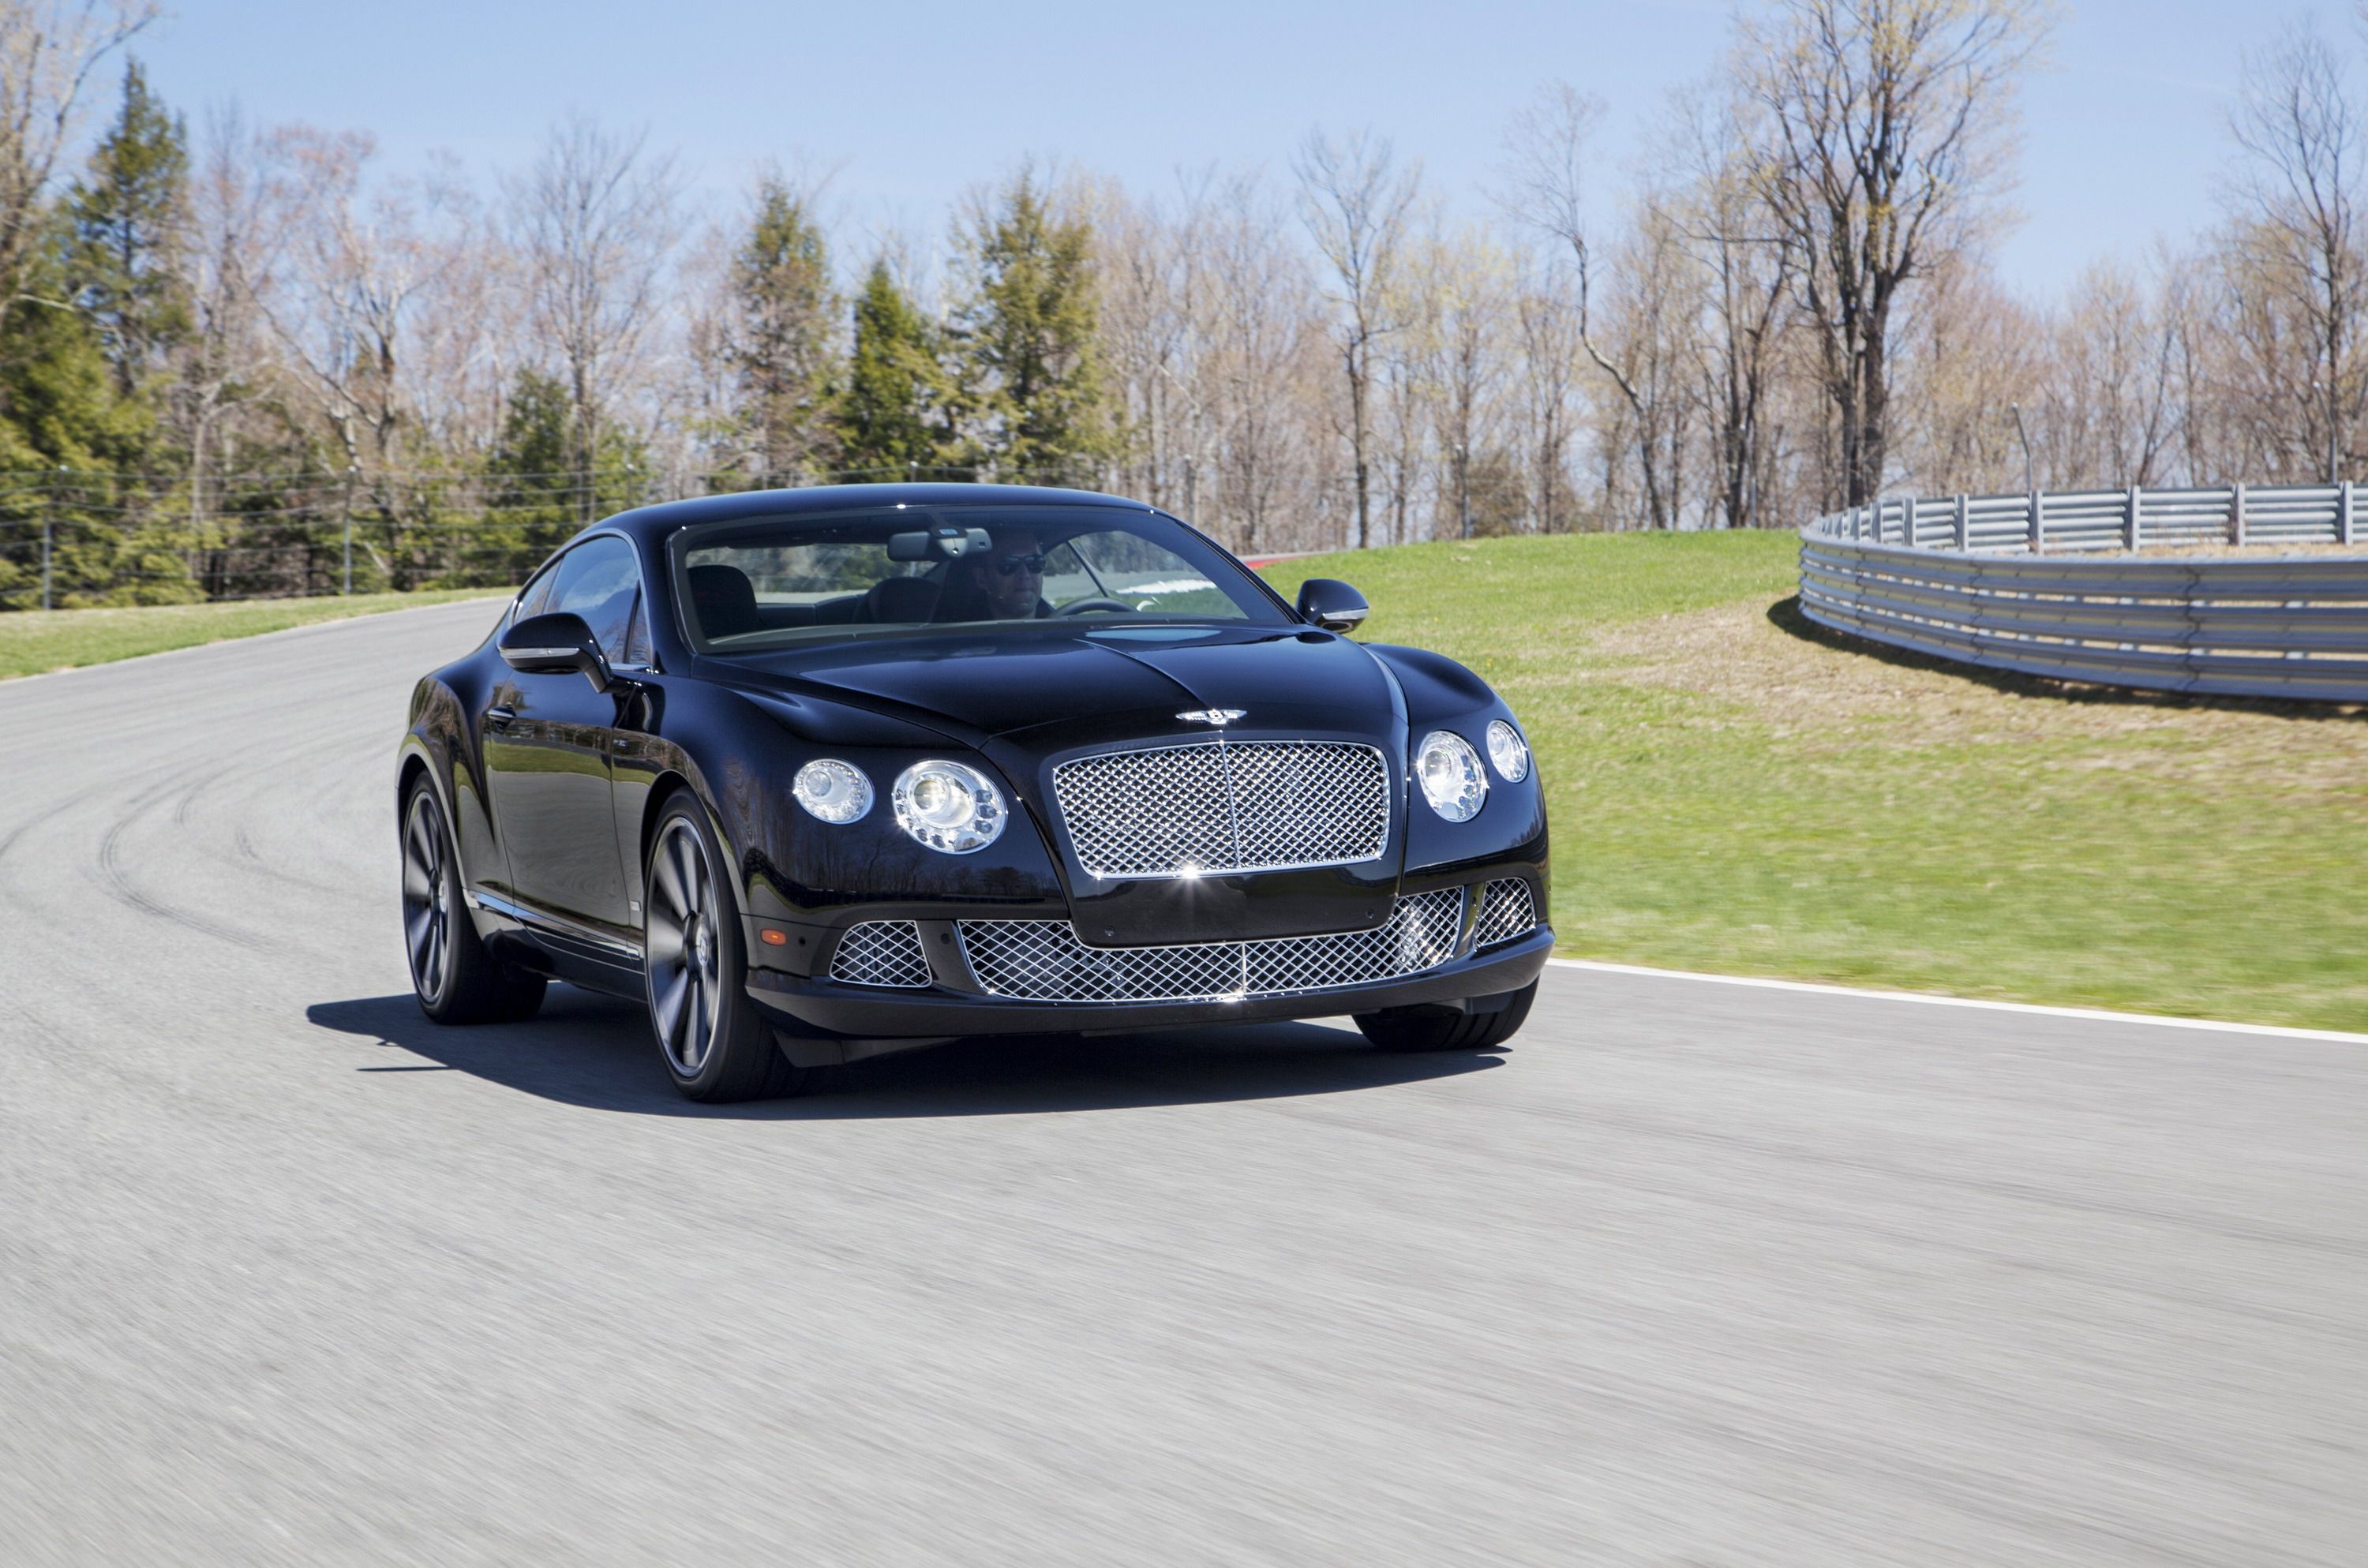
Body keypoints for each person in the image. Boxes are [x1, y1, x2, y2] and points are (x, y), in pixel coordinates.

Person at [935, 527, 1050, 621]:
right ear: (981, 578)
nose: (1025, 574)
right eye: (1008, 564)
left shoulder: (1062, 627)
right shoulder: (959, 640)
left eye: (1035, 563)